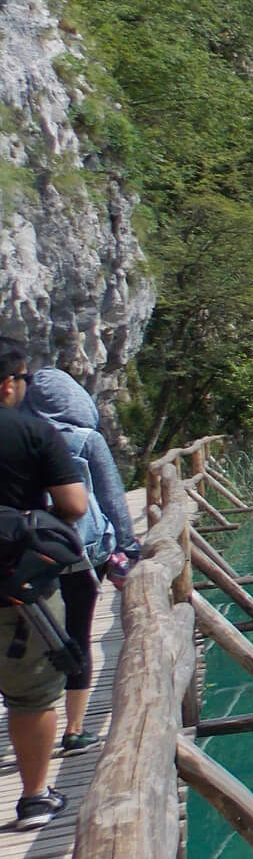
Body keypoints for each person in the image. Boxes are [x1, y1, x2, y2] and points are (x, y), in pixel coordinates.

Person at [24, 368, 139, 755]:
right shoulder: (86, 439)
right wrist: (128, 546)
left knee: (35, 639)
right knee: (78, 635)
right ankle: (74, 729)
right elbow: (111, 497)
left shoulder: (24, 438)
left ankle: (36, 716)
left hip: (31, 556)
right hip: (82, 555)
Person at [0, 341, 90, 829]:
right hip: (18, 586)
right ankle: (35, 797)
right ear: (9, 383)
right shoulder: (36, 433)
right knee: (31, 695)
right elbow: (74, 505)